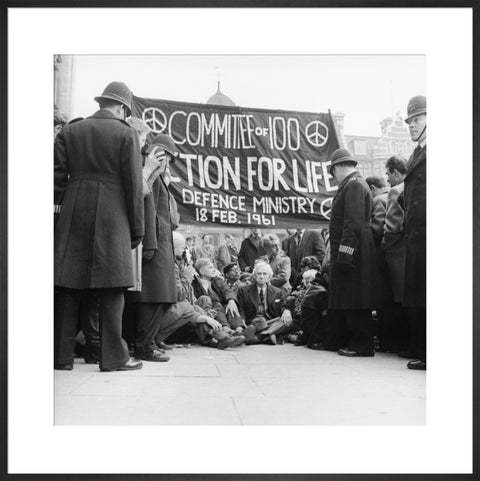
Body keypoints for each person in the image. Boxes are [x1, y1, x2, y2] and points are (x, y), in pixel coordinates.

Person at [54, 81, 144, 372]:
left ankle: (61, 356)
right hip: (112, 215)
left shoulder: (70, 131)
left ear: (102, 102)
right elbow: (133, 185)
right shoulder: (127, 133)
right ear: (122, 108)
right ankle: (114, 358)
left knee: (68, 286)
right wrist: (136, 228)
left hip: (73, 212)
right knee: (112, 288)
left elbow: (55, 181)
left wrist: (60, 215)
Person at [125, 133, 179, 362]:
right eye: (167, 156)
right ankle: (145, 347)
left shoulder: (158, 178)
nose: (168, 162)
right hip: (155, 244)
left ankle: (149, 341)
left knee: (159, 296)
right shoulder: (153, 177)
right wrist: (150, 244)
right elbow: (148, 212)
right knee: (152, 297)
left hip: (160, 243)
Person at [326, 148, 381, 357]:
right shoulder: (354, 185)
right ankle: (357, 342)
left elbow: (353, 225)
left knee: (356, 298)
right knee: (353, 297)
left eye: (333, 173)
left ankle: (361, 344)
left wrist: (345, 255)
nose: (334, 178)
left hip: (354, 253)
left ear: (338, 167)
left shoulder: (354, 186)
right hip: (356, 251)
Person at [155, 232, 245, 349]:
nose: (185, 251)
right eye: (183, 248)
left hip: (200, 311)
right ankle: (219, 336)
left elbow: (225, 291)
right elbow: (181, 295)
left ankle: (221, 336)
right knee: (191, 306)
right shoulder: (175, 267)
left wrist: (229, 301)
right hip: (172, 315)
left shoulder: (216, 280)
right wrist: (206, 317)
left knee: (203, 305)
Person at [402, 95, 427, 370]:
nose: (412, 125)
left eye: (418, 118)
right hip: (417, 233)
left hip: (428, 234)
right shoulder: (419, 151)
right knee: (420, 295)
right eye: (410, 120)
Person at [382, 154, 410, 354]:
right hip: (414, 252)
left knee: (399, 300)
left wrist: (384, 245)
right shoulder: (417, 186)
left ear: (396, 172)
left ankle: (404, 345)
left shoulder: (395, 191)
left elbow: (392, 226)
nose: (387, 179)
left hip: (398, 254)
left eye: (388, 174)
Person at [365, 176, 394, 352]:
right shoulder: (393, 195)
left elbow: (376, 231)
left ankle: (388, 342)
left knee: (384, 302)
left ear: (373, 188)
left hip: (381, 258)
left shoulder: (378, 201)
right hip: (393, 258)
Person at [236, 261, 293, 345]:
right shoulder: (243, 290)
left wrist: (286, 311)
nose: (262, 277)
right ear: (254, 276)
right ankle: (269, 335)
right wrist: (241, 325)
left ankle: (260, 336)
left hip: (271, 322)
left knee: (288, 321)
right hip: (253, 321)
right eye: (259, 274)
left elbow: (282, 306)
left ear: (269, 276)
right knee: (259, 322)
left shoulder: (278, 292)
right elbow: (240, 309)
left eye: (264, 274)